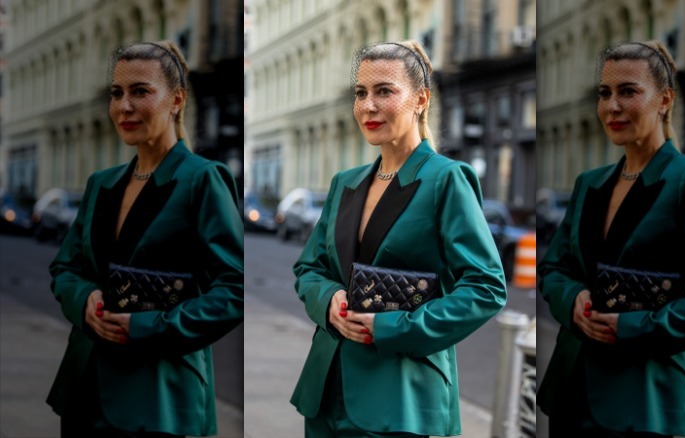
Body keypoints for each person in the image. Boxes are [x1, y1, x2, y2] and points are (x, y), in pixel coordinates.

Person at [290, 40, 507, 437]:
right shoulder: (345, 183)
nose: (368, 106)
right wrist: (329, 302)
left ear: (420, 99)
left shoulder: (446, 180)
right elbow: (310, 268)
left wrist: (392, 327)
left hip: (401, 398)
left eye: (384, 91)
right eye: (361, 93)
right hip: (326, 391)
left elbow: (485, 288)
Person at [537, 40, 685, 437]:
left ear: (664, 100)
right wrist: (574, 300)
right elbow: (554, 268)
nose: (612, 106)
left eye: (628, 91)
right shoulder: (589, 184)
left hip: (648, 398)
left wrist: (638, 326)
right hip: (574, 390)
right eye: (605, 93)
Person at [47, 41, 243, 437]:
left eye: (140, 91)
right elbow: (65, 268)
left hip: (161, 395)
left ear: (176, 100)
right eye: (117, 93)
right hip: (86, 391)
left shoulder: (202, 179)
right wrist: (84, 300)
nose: (124, 107)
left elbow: (232, 291)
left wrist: (147, 326)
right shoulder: (102, 183)